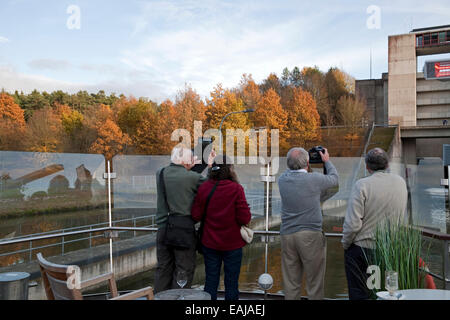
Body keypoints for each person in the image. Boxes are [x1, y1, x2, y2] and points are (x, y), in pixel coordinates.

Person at [342, 147, 407, 300]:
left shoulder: (362, 185)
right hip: (391, 249)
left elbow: (352, 224)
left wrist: (345, 244)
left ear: (367, 166)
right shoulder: (400, 182)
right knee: (386, 293)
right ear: (387, 165)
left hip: (362, 249)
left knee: (359, 292)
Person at [278, 147, 338, 300]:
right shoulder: (314, 179)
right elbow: (334, 179)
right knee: (314, 282)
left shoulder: (282, 180)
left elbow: (293, 168)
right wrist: (326, 161)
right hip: (310, 235)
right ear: (308, 162)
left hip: (287, 235)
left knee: (291, 283)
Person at [154, 146, 214, 293]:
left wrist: (190, 166)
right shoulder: (191, 177)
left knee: (163, 268)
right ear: (183, 159)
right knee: (183, 269)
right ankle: (179, 297)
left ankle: (160, 297)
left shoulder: (160, 173)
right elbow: (209, 186)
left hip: (163, 228)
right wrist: (210, 166)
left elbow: (179, 181)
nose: (192, 158)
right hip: (183, 230)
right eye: (190, 157)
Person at [191, 155, 251, 300]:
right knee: (231, 283)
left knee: (210, 281)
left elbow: (195, 215)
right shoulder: (236, 189)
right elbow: (244, 218)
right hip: (232, 244)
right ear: (230, 169)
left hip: (210, 243)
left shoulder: (204, 187)